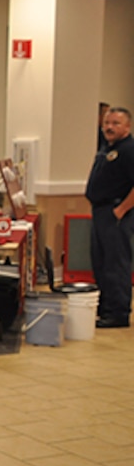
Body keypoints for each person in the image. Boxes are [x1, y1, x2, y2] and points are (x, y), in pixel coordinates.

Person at [86, 106, 134, 328]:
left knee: (116, 264)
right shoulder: (107, 148)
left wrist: (121, 210)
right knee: (101, 263)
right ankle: (105, 309)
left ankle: (118, 313)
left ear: (127, 126)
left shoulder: (129, 149)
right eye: (107, 123)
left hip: (116, 214)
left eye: (115, 123)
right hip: (101, 212)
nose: (109, 127)